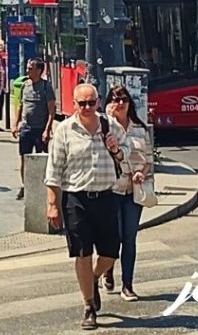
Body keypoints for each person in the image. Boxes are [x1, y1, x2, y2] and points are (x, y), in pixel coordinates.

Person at [45, 83, 128, 330]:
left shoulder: (109, 125)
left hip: (105, 196)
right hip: (76, 199)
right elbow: (54, 170)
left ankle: (92, 277)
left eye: (91, 102)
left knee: (112, 252)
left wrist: (116, 149)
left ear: (99, 102)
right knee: (82, 252)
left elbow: (126, 154)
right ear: (74, 104)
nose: (87, 107)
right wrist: (52, 204)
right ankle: (89, 306)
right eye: (82, 103)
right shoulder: (64, 130)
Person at [102, 85, 152, 302]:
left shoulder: (140, 129)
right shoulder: (104, 127)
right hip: (112, 189)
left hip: (134, 192)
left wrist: (142, 172)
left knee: (129, 238)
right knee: (114, 236)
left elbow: (149, 159)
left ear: (130, 103)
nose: (119, 103)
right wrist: (108, 121)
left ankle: (128, 285)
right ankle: (107, 270)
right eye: (115, 99)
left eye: (123, 99)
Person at [11, 59, 56, 200]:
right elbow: (20, 105)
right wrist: (15, 123)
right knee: (24, 158)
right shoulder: (25, 85)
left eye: (31, 68)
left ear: (39, 71)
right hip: (26, 128)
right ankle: (25, 185)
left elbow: (51, 110)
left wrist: (47, 130)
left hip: (40, 128)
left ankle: (43, 185)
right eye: (28, 68)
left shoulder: (46, 87)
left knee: (42, 158)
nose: (27, 71)